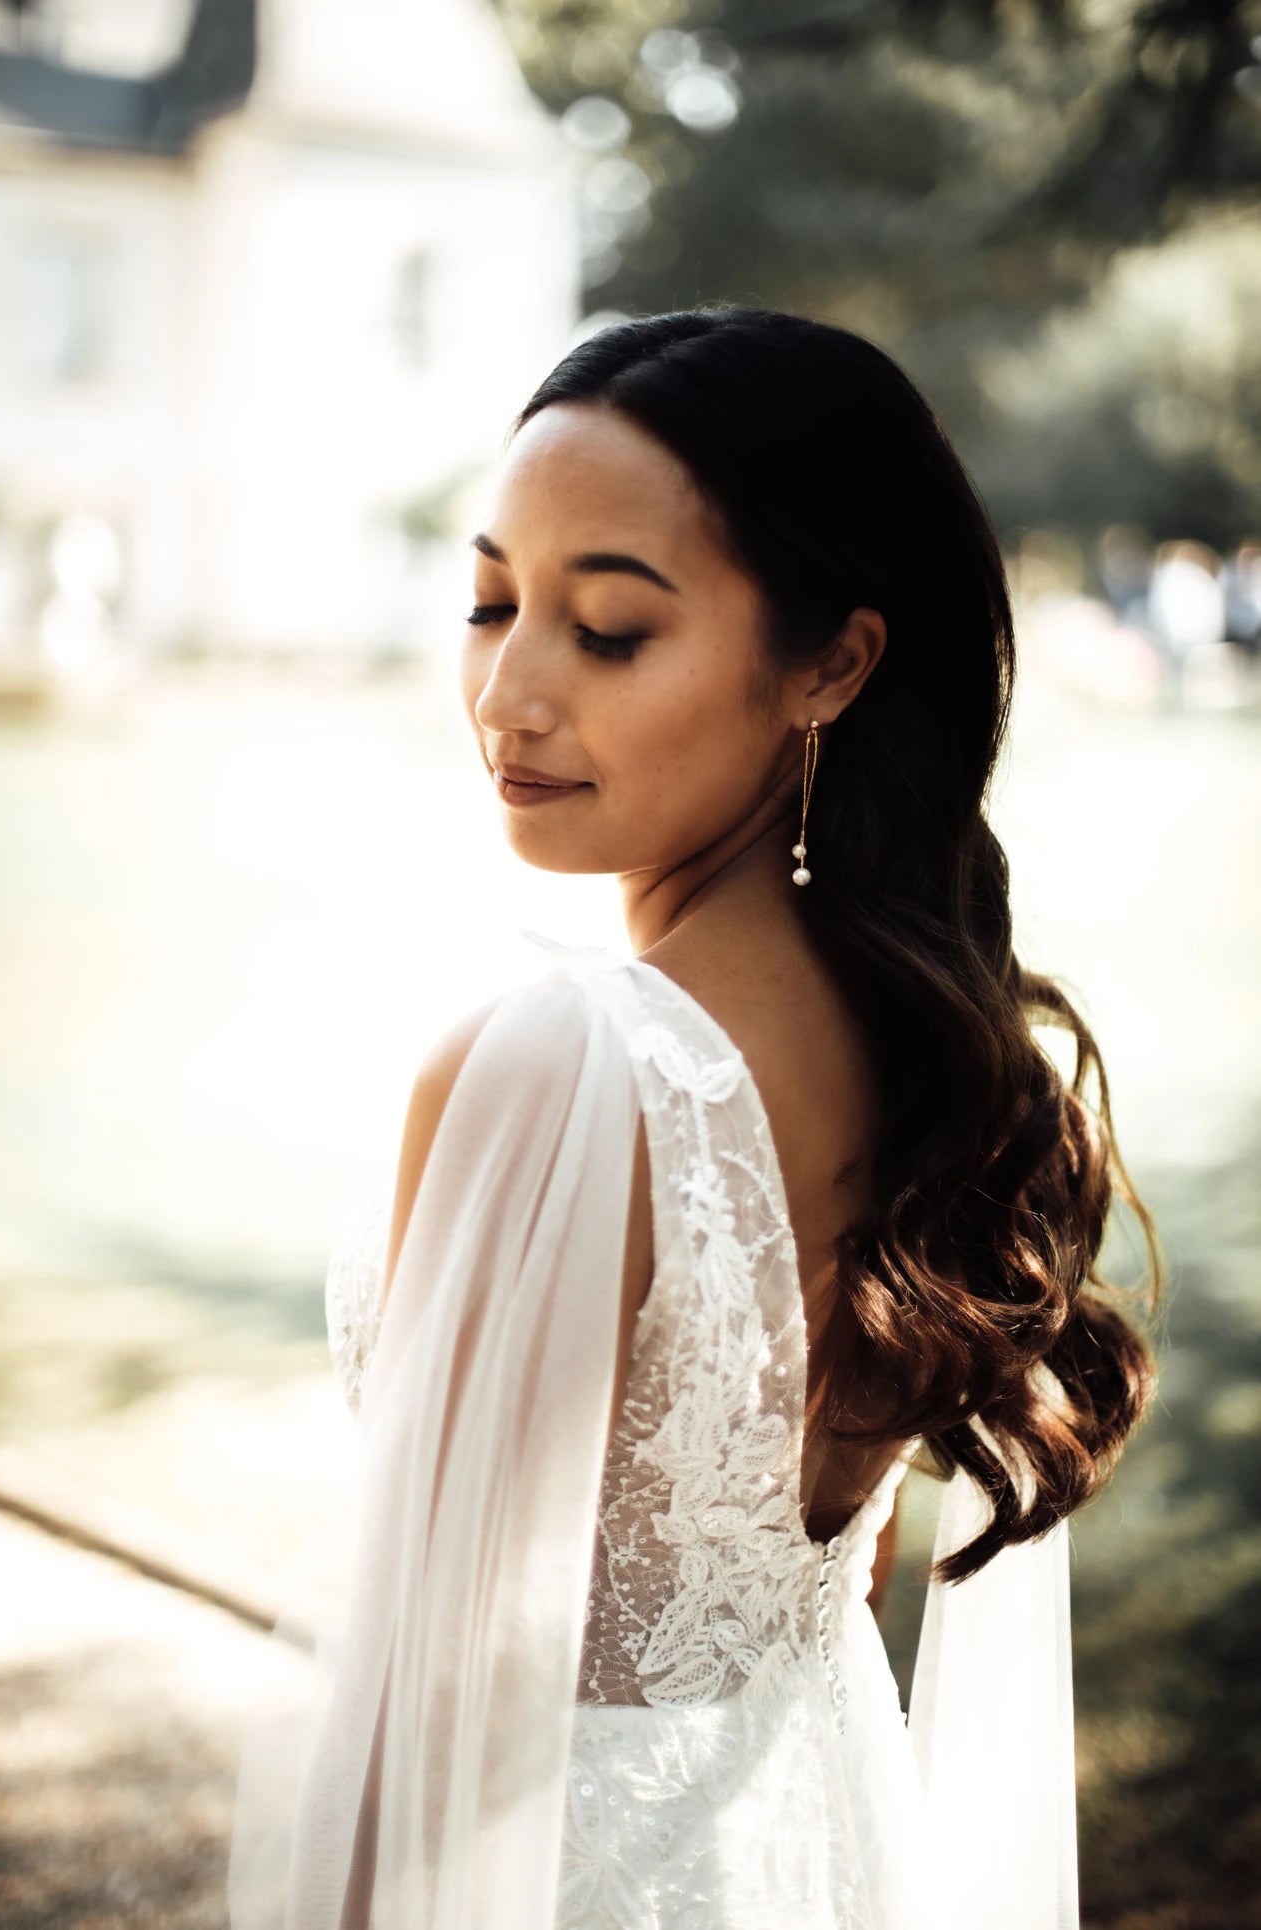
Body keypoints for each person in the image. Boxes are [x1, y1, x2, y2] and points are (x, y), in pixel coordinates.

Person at [227, 306, 1163, 1930]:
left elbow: (420, 1700)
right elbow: (816, 1582)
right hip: (814, 1847)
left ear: (833, 662)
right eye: (489, 601)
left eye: (604, 630)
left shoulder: (556, 1068)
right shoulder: (927, 1043)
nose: (505, 693)